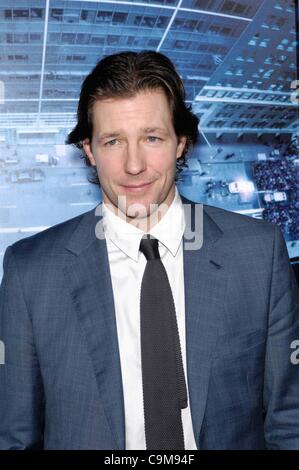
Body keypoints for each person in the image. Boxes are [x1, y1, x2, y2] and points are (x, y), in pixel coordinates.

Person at [0, 50, 299, 450]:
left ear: (181, 143)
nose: (134, 165)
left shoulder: (260, 254)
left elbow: (289, 422)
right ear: (89, 150)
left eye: (152, 138)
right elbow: (15, 438)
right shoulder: (29, 272)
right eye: (113, 141)